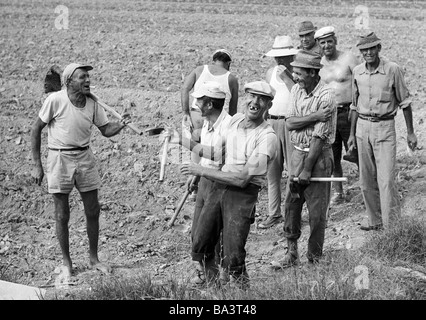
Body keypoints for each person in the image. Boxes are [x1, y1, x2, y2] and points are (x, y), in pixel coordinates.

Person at [31, 63, 130, 280]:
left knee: (93, 210)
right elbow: (36, 128)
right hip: (59, 158)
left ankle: (94, 259)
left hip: (84, 157)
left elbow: (105, 130)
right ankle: (67, 263)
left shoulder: (93, 103)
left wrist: (120, 125)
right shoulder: (55, 100)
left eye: (88, 77)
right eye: (82, 77)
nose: (87, 80)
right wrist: (37, 165)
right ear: (69, 82)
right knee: (61, 214)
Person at [179, 81, 277, 288]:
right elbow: (216, 153)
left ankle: (243, 292)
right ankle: (216, 291)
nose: (255, 102)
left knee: (233, 255)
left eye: (262, 99)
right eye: (252, 96)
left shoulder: (268, 137)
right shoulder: (236, 121)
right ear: (246, 97)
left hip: (242, 194)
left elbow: (243, 179)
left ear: (269, 105)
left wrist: (201, 171)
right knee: (201, 243)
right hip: (220, 186)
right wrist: (182, 140)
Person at [271, 50, 336, 268]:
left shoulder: (326, 95)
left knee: (317, 213)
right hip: (297, 153)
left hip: (317, 158)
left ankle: (314, 258)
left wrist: (307, 170)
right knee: (292, 204)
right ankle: (291, 253)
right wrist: (314, 116)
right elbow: (289, 123)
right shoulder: (297, 91)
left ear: (312, 73)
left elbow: (319, 136)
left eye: (299, 73)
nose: (295, 77)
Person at [348, 32, 417, 231]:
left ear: (379, 48)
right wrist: (352, 135)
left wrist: (411, 132)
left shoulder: (392, 70)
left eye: (372, 48)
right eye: (364, 49)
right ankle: (375, 221)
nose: (368, 52)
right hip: (362, 127)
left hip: (385, 128)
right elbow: (354, 105)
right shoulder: (358, 72)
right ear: (360, 52)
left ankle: (392, 227)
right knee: (366, 180)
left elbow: (405, 102)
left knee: (386, 180)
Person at [165, 81, 232, 285]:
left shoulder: (228, 126)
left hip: (220, 184)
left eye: (199, 100)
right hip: (204, 181)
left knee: (210, 234)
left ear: (210, 104)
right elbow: (205, 154)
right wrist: (196, 174)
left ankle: (220, 277)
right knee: (198, 232)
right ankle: (208, 275)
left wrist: (182, 141)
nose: (195, 104)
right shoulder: (206, 124)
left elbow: (216, 154)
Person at [180, 49, 239, 199]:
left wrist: (186, 112)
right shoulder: (231, 78)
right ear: (228, 63)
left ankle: (195, 189)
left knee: (197, 149)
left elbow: (185, 88)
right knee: (212, 151)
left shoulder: (200, 69)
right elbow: (233, 107)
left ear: (214, 60)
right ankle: (205, 182)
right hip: (215, 116)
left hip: (195, 112)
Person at [315, 26, 360, 206]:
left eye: (329, 41)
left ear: (336, 41)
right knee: (332, 155)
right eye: (323, 42)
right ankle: (338, 192)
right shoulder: (318, 64)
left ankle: (367, 187)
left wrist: (358, 107)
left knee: (355, 151)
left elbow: (361, 81)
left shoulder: (348, 58)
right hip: (329, 114)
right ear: (318, 44)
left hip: (349, 112)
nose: (327, 45)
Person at [258, 35, 298, 229]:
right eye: (277, 57)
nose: (280, 61)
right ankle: (274, 213)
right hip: (272, 123)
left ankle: (291, 214)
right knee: (272, 172)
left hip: (291, 124)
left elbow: (300, 97)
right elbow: (267, 98)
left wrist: (288, 78)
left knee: (293, 172)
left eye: (284, 56)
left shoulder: (298, 73)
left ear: (291, 55)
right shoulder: (270, 73)